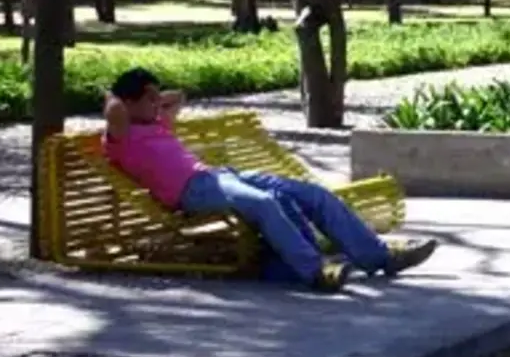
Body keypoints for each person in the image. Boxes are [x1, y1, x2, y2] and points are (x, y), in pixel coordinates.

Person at [102, 68, 436, 293]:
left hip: (218, 176)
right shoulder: (120, 135)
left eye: (156, 98)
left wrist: (151, 96)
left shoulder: (155, 123)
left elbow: (179, 96)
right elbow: (114, 107)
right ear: (128, 103)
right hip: (191, 191)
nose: (157, 103)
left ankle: (381, 257)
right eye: (148, 98)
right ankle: (316, 272)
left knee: (312, 194)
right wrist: (119, 94)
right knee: (265, 203)